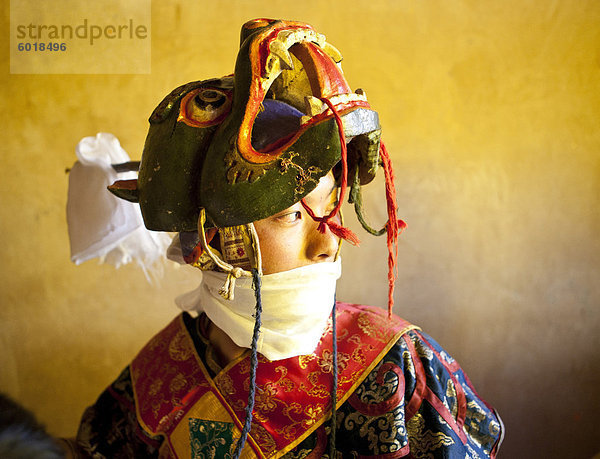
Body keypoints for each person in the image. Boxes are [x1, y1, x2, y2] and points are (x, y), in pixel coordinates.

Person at [71, 18, 503, 458]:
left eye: (331, 206)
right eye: (291, 214)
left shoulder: (396, 362)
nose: (329, 244)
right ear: (211, 240)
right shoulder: (161, 373)